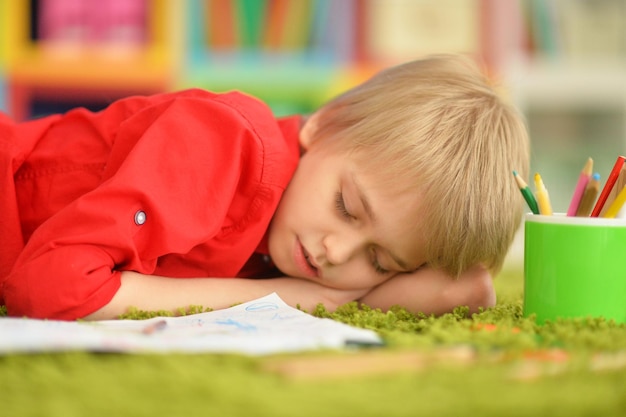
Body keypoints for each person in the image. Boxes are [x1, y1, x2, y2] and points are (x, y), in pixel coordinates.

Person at [0, 54, 530, 320]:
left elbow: (461, 287)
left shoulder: (297, 232)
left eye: (382, 261)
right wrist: (279, 299)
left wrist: (367, 291)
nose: (335, 253)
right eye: (347, 208)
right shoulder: (227, 142)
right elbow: (49, 288)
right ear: (326, 123)